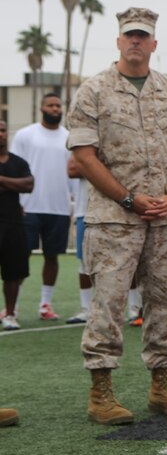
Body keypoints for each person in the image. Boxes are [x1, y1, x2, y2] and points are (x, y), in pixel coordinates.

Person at [68, 6, 167, 425]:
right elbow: (84, 156)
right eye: (130, 36)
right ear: (119, 41)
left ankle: (161, 385)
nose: (137, 42)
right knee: (108, 302)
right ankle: (101, 392)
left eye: (143, 36)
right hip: (113, 217)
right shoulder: (93, 91)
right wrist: (128, 199)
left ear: (154, 43)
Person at [10, 92, 74, 321]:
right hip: (28, 208)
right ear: (42, 108)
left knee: (52, 256)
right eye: (50, 105)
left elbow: (73, 175)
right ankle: (12, 308)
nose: (55, 109)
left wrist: (72, 206)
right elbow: (14, 168)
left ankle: (45, 304)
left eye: (58, 105)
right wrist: (16, 202)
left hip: (58, 209)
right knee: (20, 257)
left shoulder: (69, 137)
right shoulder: (26, 135)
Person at [0, 120, 33, 331]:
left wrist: (1, 179)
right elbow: (20, 185)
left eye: (2, 130)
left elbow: (29, 185)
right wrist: (12, 184)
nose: (0, 134)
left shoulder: (18, 162)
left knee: (13, 272)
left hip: (12, 223)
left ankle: (10, 314)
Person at [65, 160, 94, 324]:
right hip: (85, 210)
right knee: (84, 261)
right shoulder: (84, 139)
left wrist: (91, 167)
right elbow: (73, 170)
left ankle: (133, 307)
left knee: (124, 261)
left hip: (115, 210)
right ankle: (86, 309)